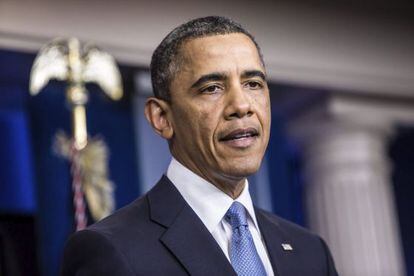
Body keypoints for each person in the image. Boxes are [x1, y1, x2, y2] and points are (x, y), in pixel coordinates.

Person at [61, 16, 338, 276]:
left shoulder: (310, 252)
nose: (241, 106)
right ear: (162, 118)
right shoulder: (111, 249)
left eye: (253, 84)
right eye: (212, 88)